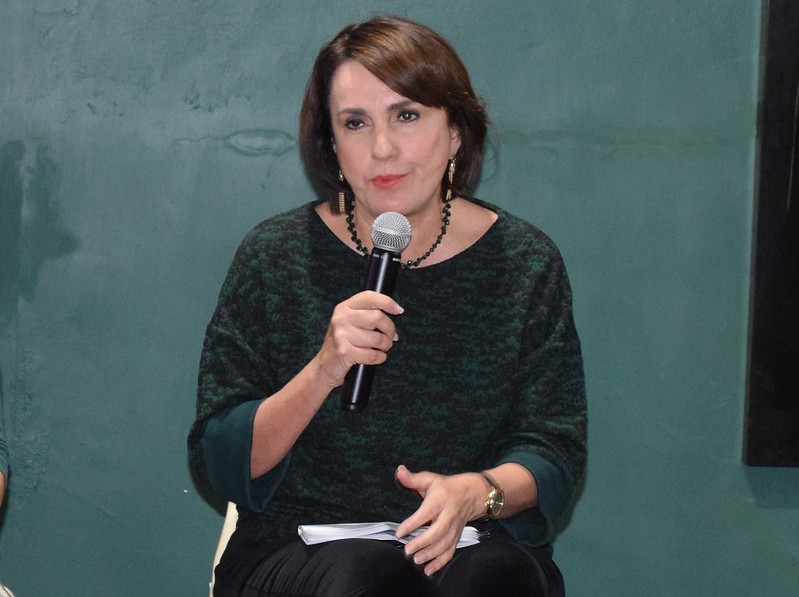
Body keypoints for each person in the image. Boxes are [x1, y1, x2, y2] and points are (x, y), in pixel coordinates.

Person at [189, 15, 586, 597]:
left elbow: (554, 450)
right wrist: (323, 369)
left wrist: (477, 492)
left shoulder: (526, 263)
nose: (382, 148)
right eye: (355, 123)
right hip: (299, 546)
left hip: (470, 545)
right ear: (331, 144)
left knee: (495, 580)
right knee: (370, 580)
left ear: (456, 132)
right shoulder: (274, 257)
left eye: (407, 115)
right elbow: (221, 461)